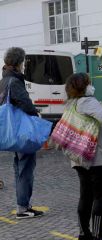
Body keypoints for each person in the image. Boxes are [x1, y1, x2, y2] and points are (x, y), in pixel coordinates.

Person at [65, 73, 102, 240]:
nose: (92, 85)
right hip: (97, 158)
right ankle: (99, 237)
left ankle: (84, 235)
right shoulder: (89, 102)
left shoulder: (72, 104)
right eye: (90, 83)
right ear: (85, 86)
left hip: (79, 158)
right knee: (100, 197)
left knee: (86, 196)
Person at [0, 47, 44, 218]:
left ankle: (23, 205)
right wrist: (35, 113)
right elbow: (24, 103)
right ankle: (23, 208)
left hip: (12, 131)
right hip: (22, 132)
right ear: (18, 63)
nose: (24, 65)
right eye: (23, 62)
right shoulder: (14, 81)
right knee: (26, 168)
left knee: (19, 167)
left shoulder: (3, 80)